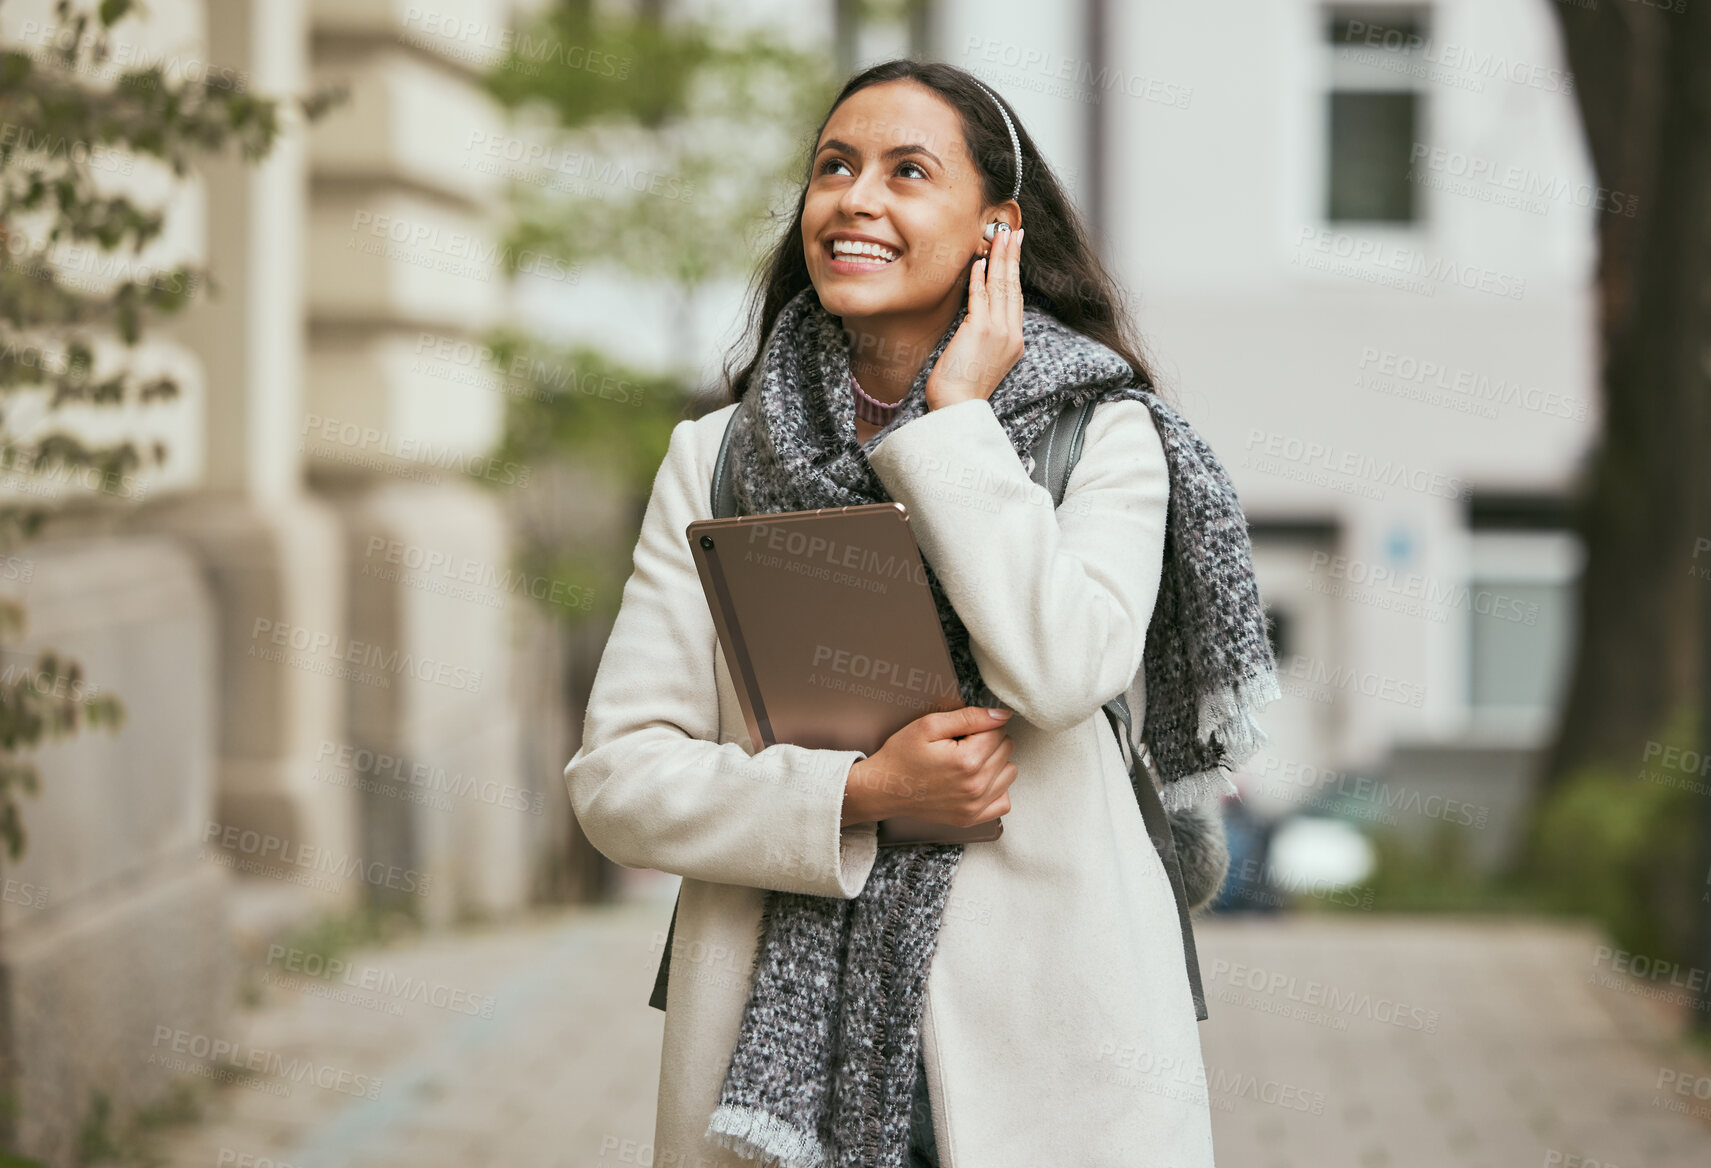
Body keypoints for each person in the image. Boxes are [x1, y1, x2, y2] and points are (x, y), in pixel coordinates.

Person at [566, 59, 1276, 1168]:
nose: (856, 199)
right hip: (768, 1057)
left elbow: (1064, 667)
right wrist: (858, 795)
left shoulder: (1103, 436)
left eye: (908, 172)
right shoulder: (714, 460)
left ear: (996, 228)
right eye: (834, 168)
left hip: (1051, 1042)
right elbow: (618, 782)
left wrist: (954, 427)